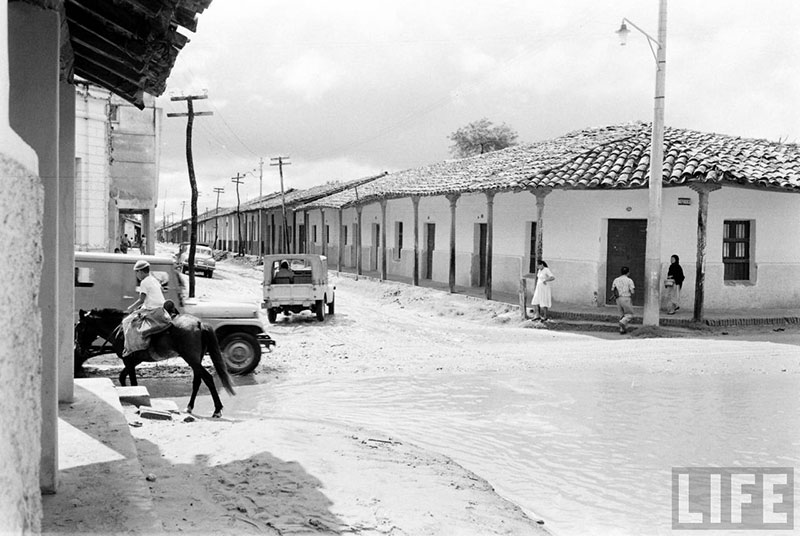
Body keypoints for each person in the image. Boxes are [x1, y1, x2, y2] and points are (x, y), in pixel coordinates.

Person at [121, 259, 171, 356]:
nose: (136, 275)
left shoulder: (144, 282)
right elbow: (152, 296)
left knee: (126, 321)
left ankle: (129, 348)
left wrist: (130, 308)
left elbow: (141, 300)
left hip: (151, 310)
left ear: (141, 271)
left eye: (137, 272)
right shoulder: (154, 280)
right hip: (160, 308)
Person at [611, 266, 635, 334]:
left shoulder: (616, 280)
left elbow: (613, 289)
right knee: (629, 314)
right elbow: (632, 291)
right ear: (628, 272)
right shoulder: (629, 280)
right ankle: (622, 322)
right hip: (626, 298)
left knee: (621, 314)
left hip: (618, 299)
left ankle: (622, 329)